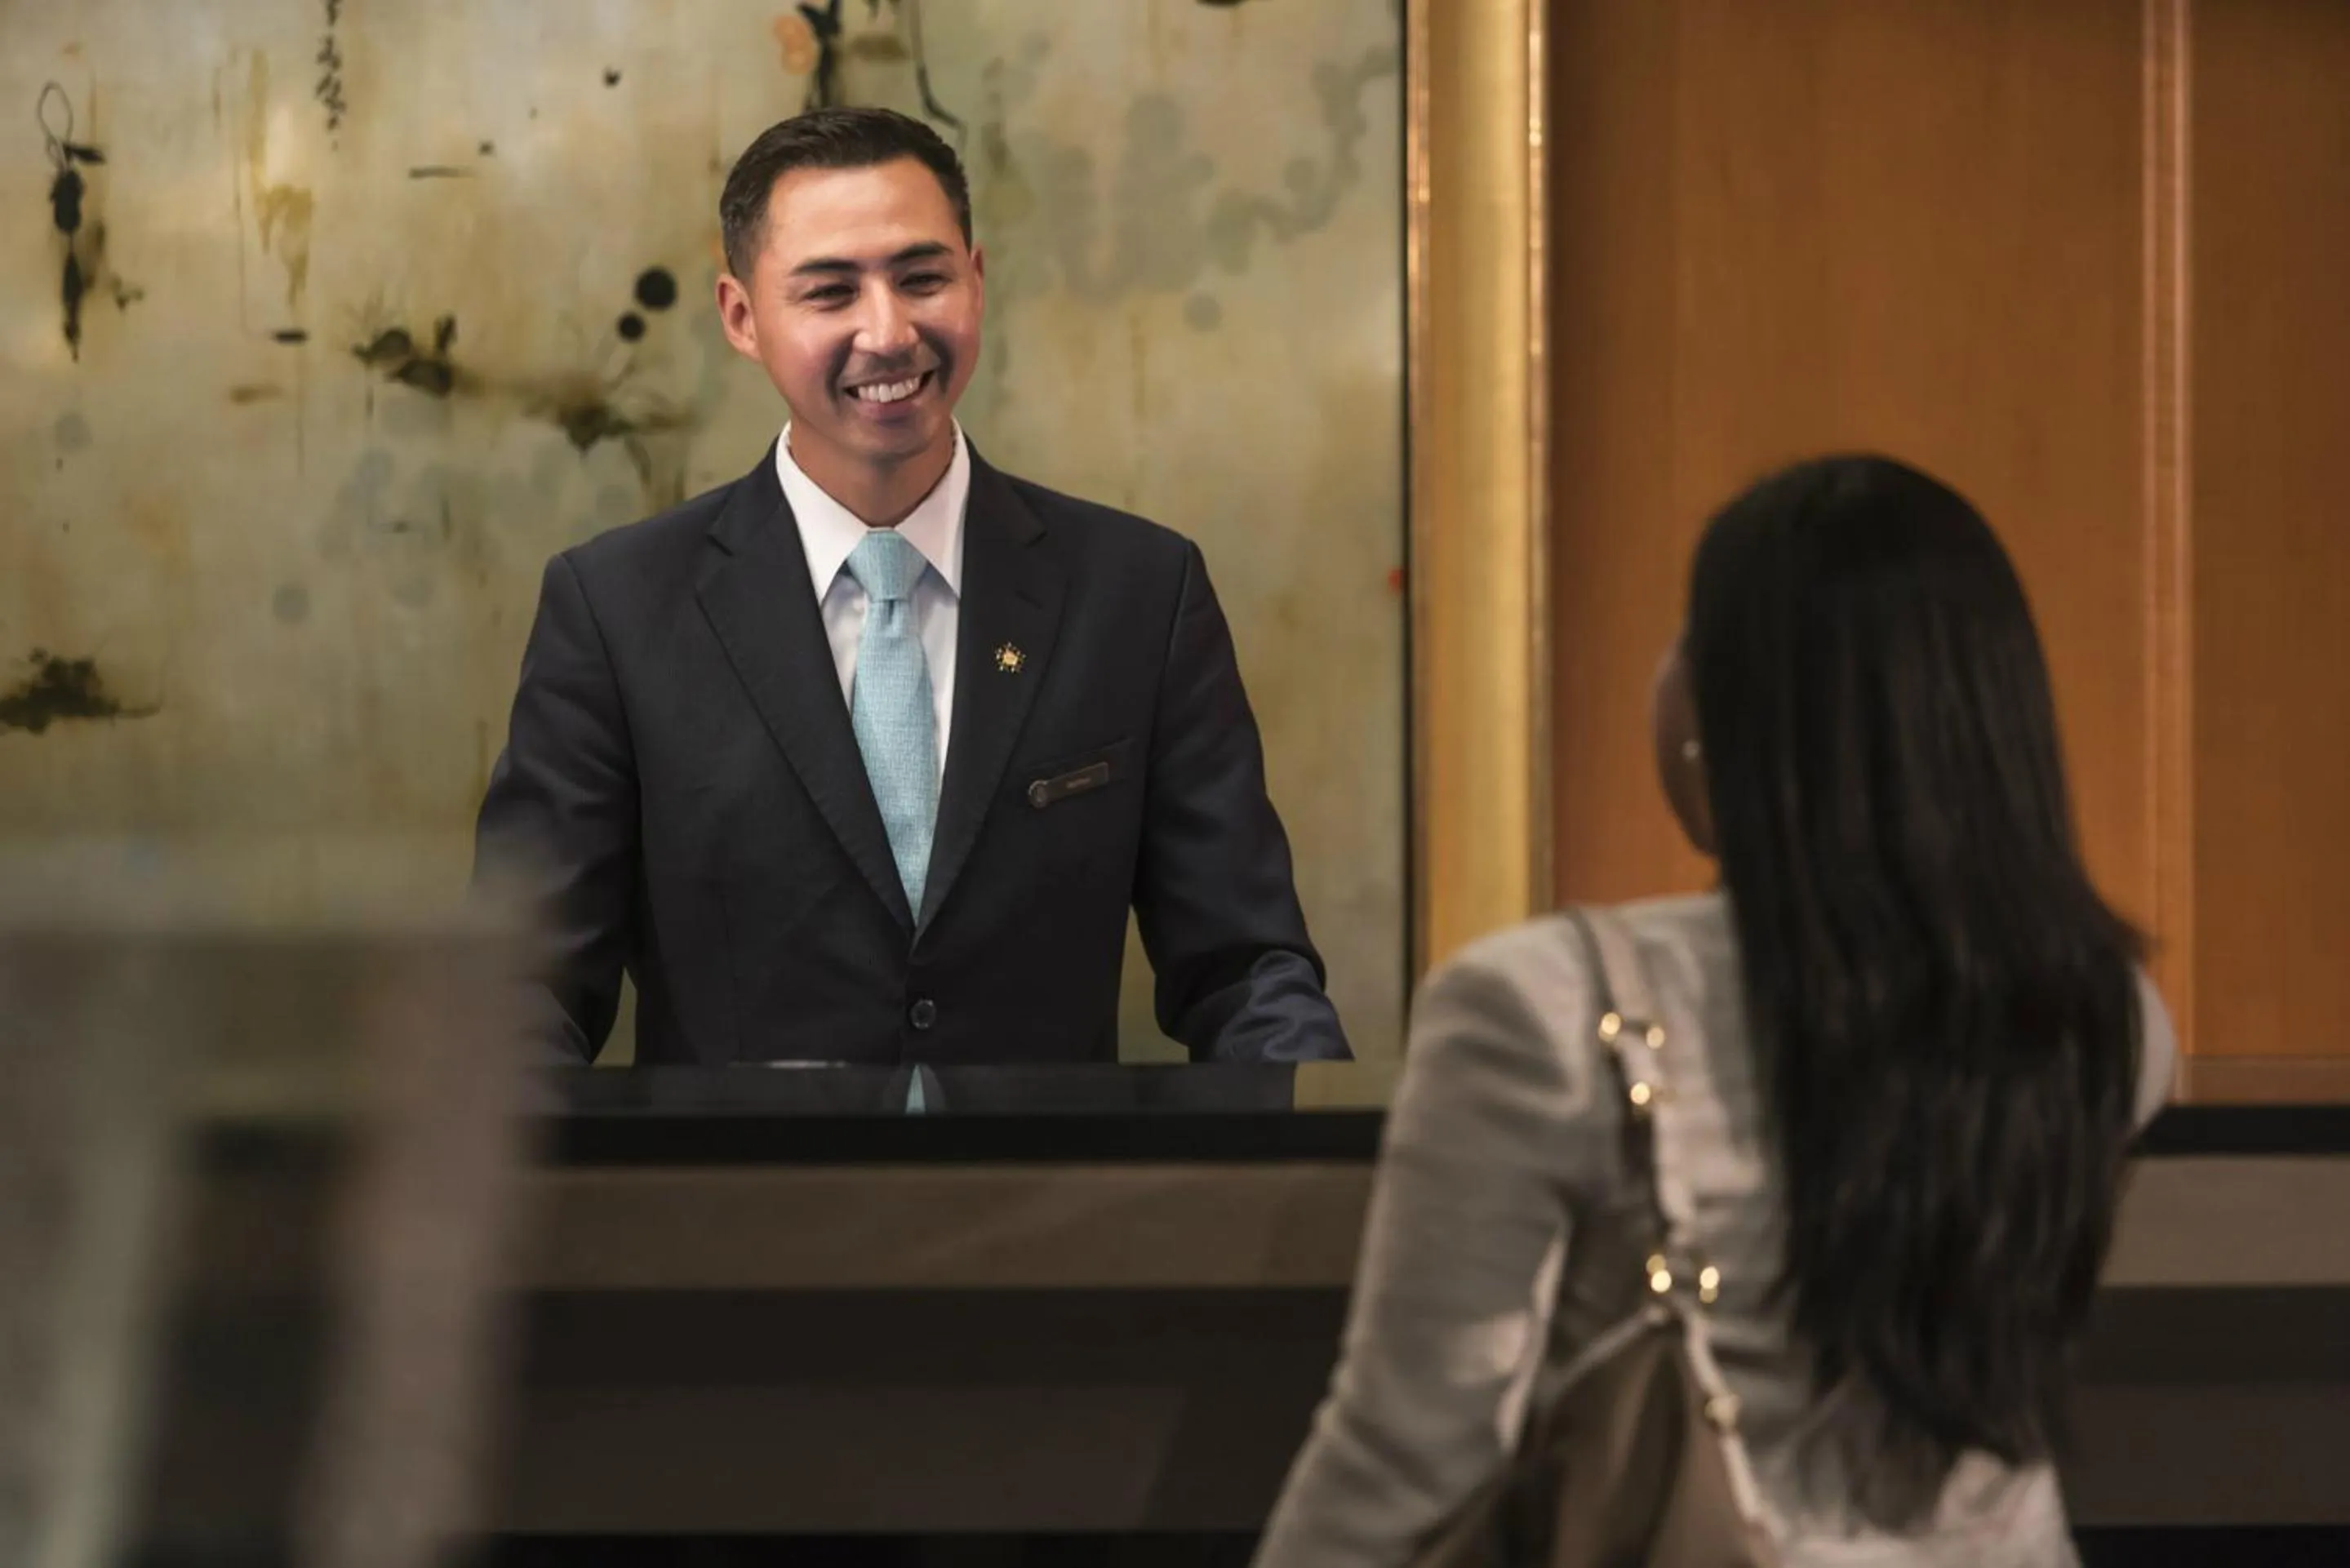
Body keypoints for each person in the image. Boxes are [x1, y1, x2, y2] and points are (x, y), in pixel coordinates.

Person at [1256, 455, 2174, 1565]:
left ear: (1736, 710)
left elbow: (1405, 1459)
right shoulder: (2107, 1017)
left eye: (1686, 637)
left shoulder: (1533, 1011)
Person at [475, 107, 1348, 1066]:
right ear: (741, 316)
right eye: (830, 292)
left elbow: (1244, 971)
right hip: (726, 1209)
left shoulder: (1138, 593)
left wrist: (1320, 1177)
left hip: (1053, 1206)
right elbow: (525, 996)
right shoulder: (616, 609)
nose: (886, 333)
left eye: (921, 277)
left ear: (974, 282)